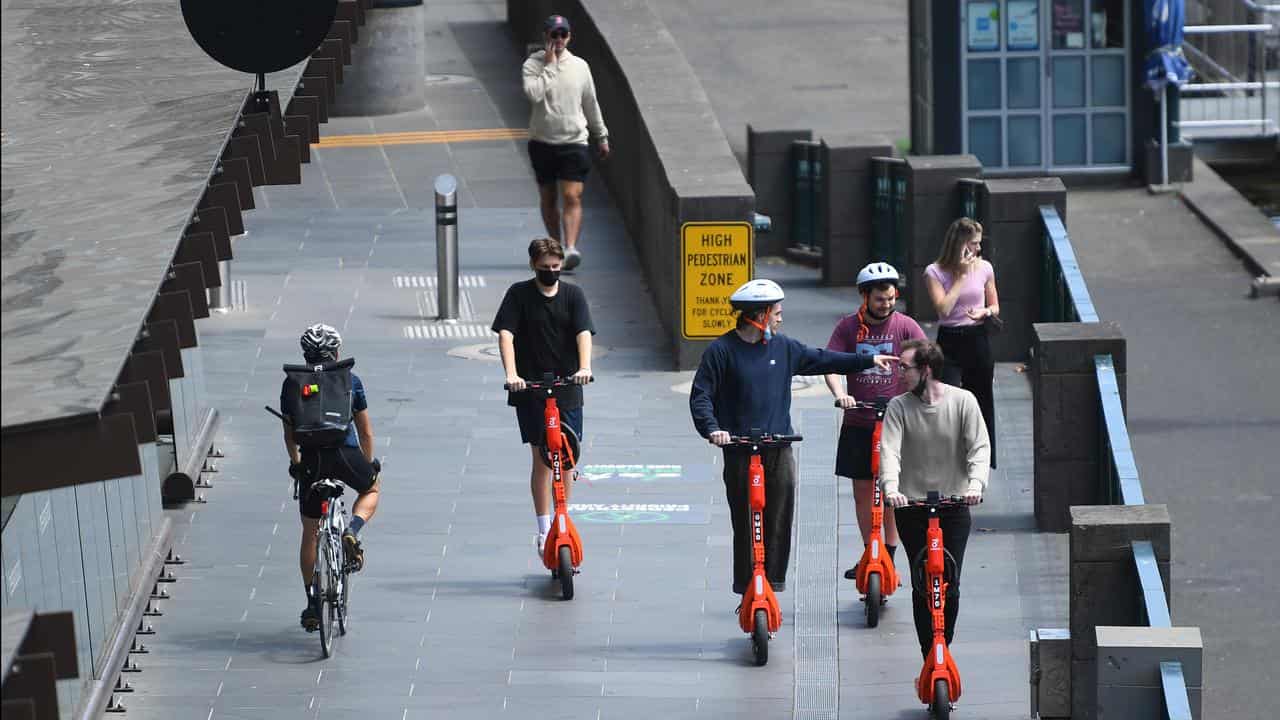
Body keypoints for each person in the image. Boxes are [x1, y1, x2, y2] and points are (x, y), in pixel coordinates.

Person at [690, 279, 897, 601]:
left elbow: (824, 358)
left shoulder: (783, 348)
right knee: (745, 521)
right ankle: (747, 587)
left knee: (779, 517)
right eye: (776, 313)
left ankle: (772, 583)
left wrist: (867, 360)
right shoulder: (721, 351)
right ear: (758, 315)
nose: (780, 318)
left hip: (779, 446)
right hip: (740, 449)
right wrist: (712, 428)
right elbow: (701, 395)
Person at [880, 339, 990, 657]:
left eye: (905, 367)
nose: (899, 373)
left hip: (953, 505)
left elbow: (979, 448)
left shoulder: (963, 402)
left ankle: (945, 646)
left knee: (949, 583)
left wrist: (975, 485)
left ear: (926, 370)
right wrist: (891, 489)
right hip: (911, 506)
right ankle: (929, 653)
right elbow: (889, 450)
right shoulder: (899, 406)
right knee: (922, 583)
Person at [492, 237, 595, 557]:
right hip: (532, 389)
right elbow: (506, 335)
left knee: (567, 457)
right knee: (541, 459)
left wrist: (584, 367)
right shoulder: (519, 295)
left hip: (567, 385)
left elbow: (583, 333)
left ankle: (563, 515)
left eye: (556, 267)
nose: (551, 273)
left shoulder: (573, 295)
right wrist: (512, 375)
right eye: (544, 268)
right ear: (532, 266)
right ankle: (543, 527)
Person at [823, 262, 925, 581]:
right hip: (859, 420)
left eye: (892, 299)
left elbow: (927, 361)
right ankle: (871, 551)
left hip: (896, 424)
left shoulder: (905, 326)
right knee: (863, 492)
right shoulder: (847, 328)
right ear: (864, 297)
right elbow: (830, 363)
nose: (887, 305)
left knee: (892, 491)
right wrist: (841, 394)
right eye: (881, 299)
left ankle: (889, 556)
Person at [281, 324, 381, 632]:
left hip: (312, 460)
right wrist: (367, 463)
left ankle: (312, 602)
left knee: (309, 533)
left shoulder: (291, 384)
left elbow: (289, 434)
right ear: (336, 352)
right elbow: (365, 431)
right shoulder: (351, 379)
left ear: (305, 354)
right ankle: (351, 530)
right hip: (344, 455)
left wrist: (297, 463)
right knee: (372, 489)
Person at [521, 14, 610, 272]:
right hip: (542, 143)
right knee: (549, 198)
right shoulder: (532, 65)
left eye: (563, 34)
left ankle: (571, 247)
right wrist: (549, 66)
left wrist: (601, 135)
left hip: (574, 141)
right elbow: (534, 94)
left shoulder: (580, 66)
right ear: (545, 36)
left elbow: (590, 102)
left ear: (569, 37)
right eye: (554, 34)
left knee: (572, 195)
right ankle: (556, 247)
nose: (558, 39)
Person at [923, 217, 1001, 468]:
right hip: (950, 342)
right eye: (973, 244)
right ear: (958, 244)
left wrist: (985, 312)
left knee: (981, 399)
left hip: (977, 338)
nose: (977, 249)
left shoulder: (985, 267)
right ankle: (952, 459)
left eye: (979, 243)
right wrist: (960, 277)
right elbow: (943, 309)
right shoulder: (934, 272)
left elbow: (995, 305)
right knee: (949, 401)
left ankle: (981, 460)